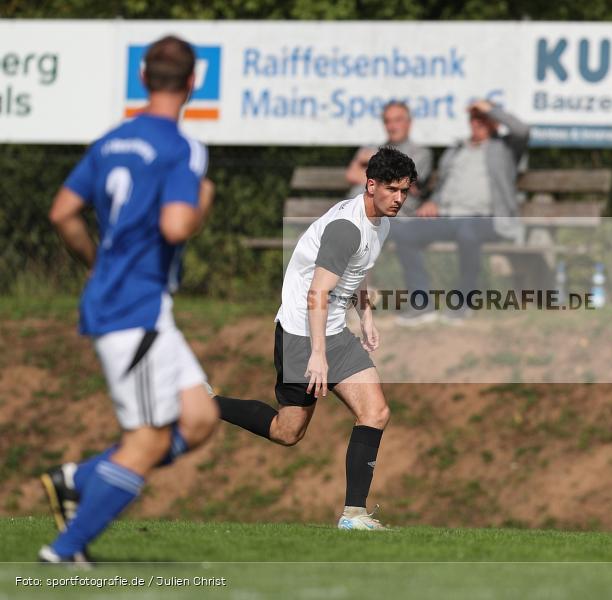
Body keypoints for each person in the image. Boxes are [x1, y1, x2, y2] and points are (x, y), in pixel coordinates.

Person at [40, 35, 217, 564]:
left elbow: (61, 213)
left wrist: (96, 261)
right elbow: (177, 223)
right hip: (133, 309)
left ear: (143, 79)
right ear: (191, 83)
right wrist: (203, 202)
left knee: (201, 417)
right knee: (148, 440)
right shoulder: (180, 147)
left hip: (132, 303)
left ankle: (79, 478)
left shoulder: (112, 141)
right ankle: (65, 550)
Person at [213, 147, 417, 530]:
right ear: (370, 185)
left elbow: (358, 269)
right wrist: (318, 355)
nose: (399, 199)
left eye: (405, 191)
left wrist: (366, 316)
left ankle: (353, 515)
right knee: (287, 432)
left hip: (333, 328)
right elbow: (316, 294)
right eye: (392, 190)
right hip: (301, 333)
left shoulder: (379, 222)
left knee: (375, 412)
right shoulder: (346, 228)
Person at [390, 99, 530, 325]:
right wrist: (433, 202)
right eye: (474, 118)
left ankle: (463, 301)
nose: (478, 123)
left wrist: (489, 109)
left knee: (468, 231)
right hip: (449, 217)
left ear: (495, 122)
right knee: (405, 233)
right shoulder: (456, 150)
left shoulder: (504, 148)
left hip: (489, 220)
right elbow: (443, 185)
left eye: (483, 118)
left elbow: (522, 130)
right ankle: (421, 304)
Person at [345, 101, 432, 214]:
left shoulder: (422, 153)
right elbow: (351, 175)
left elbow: (402, 180)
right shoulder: (372, 147)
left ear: (409, 123)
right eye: (387, 121)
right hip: (361, 210)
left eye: (397, 120)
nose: (392, 126)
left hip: (398, 211)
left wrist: (370, 163)